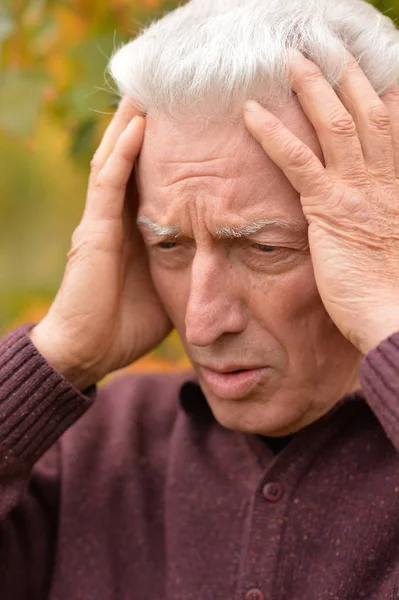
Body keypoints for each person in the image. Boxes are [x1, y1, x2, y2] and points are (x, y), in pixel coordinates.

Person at [1, 0, 399, 597]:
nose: (203, 321)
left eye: (265, 248)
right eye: (169, 245)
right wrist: (58, 354)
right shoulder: (88, 453)